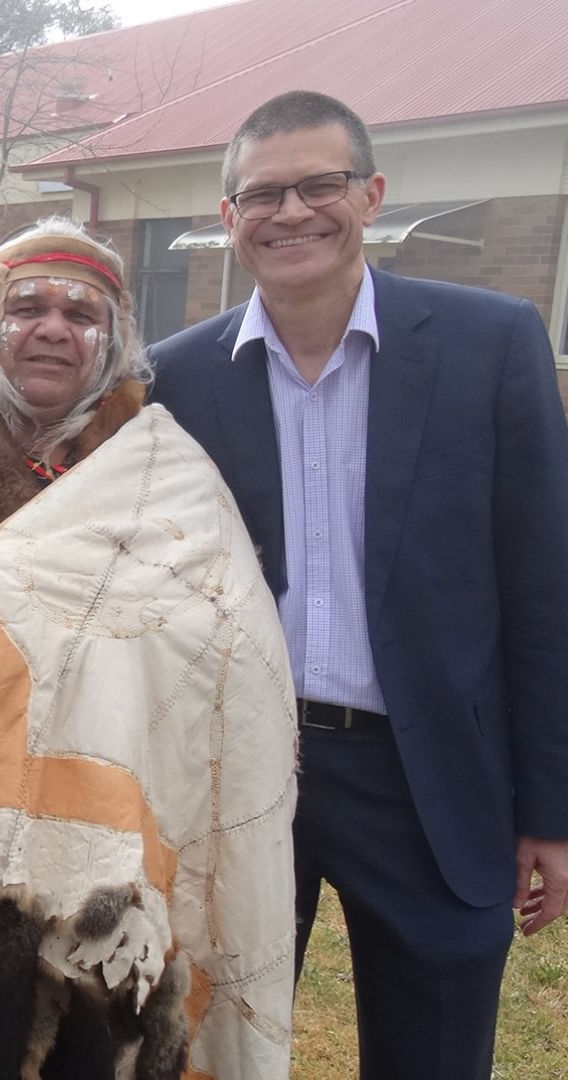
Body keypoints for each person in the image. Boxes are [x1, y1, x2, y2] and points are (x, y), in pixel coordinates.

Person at [0, 218, 298, 1080]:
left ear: (112, 343)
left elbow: (227, 650)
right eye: (26, 306)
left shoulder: (168, 473)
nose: (52, 327)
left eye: (82, 314)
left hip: (123, 859)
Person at [149, 90, 568, 1080]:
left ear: (371, 195)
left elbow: (545, 588)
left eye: (320, 185)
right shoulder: (176, 379)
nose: (291, 212)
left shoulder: (492, 345)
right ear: (227, 219)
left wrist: (550, 813)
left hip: (427, 780)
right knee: (210, 1050)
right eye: (263, 194)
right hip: (240, 775)